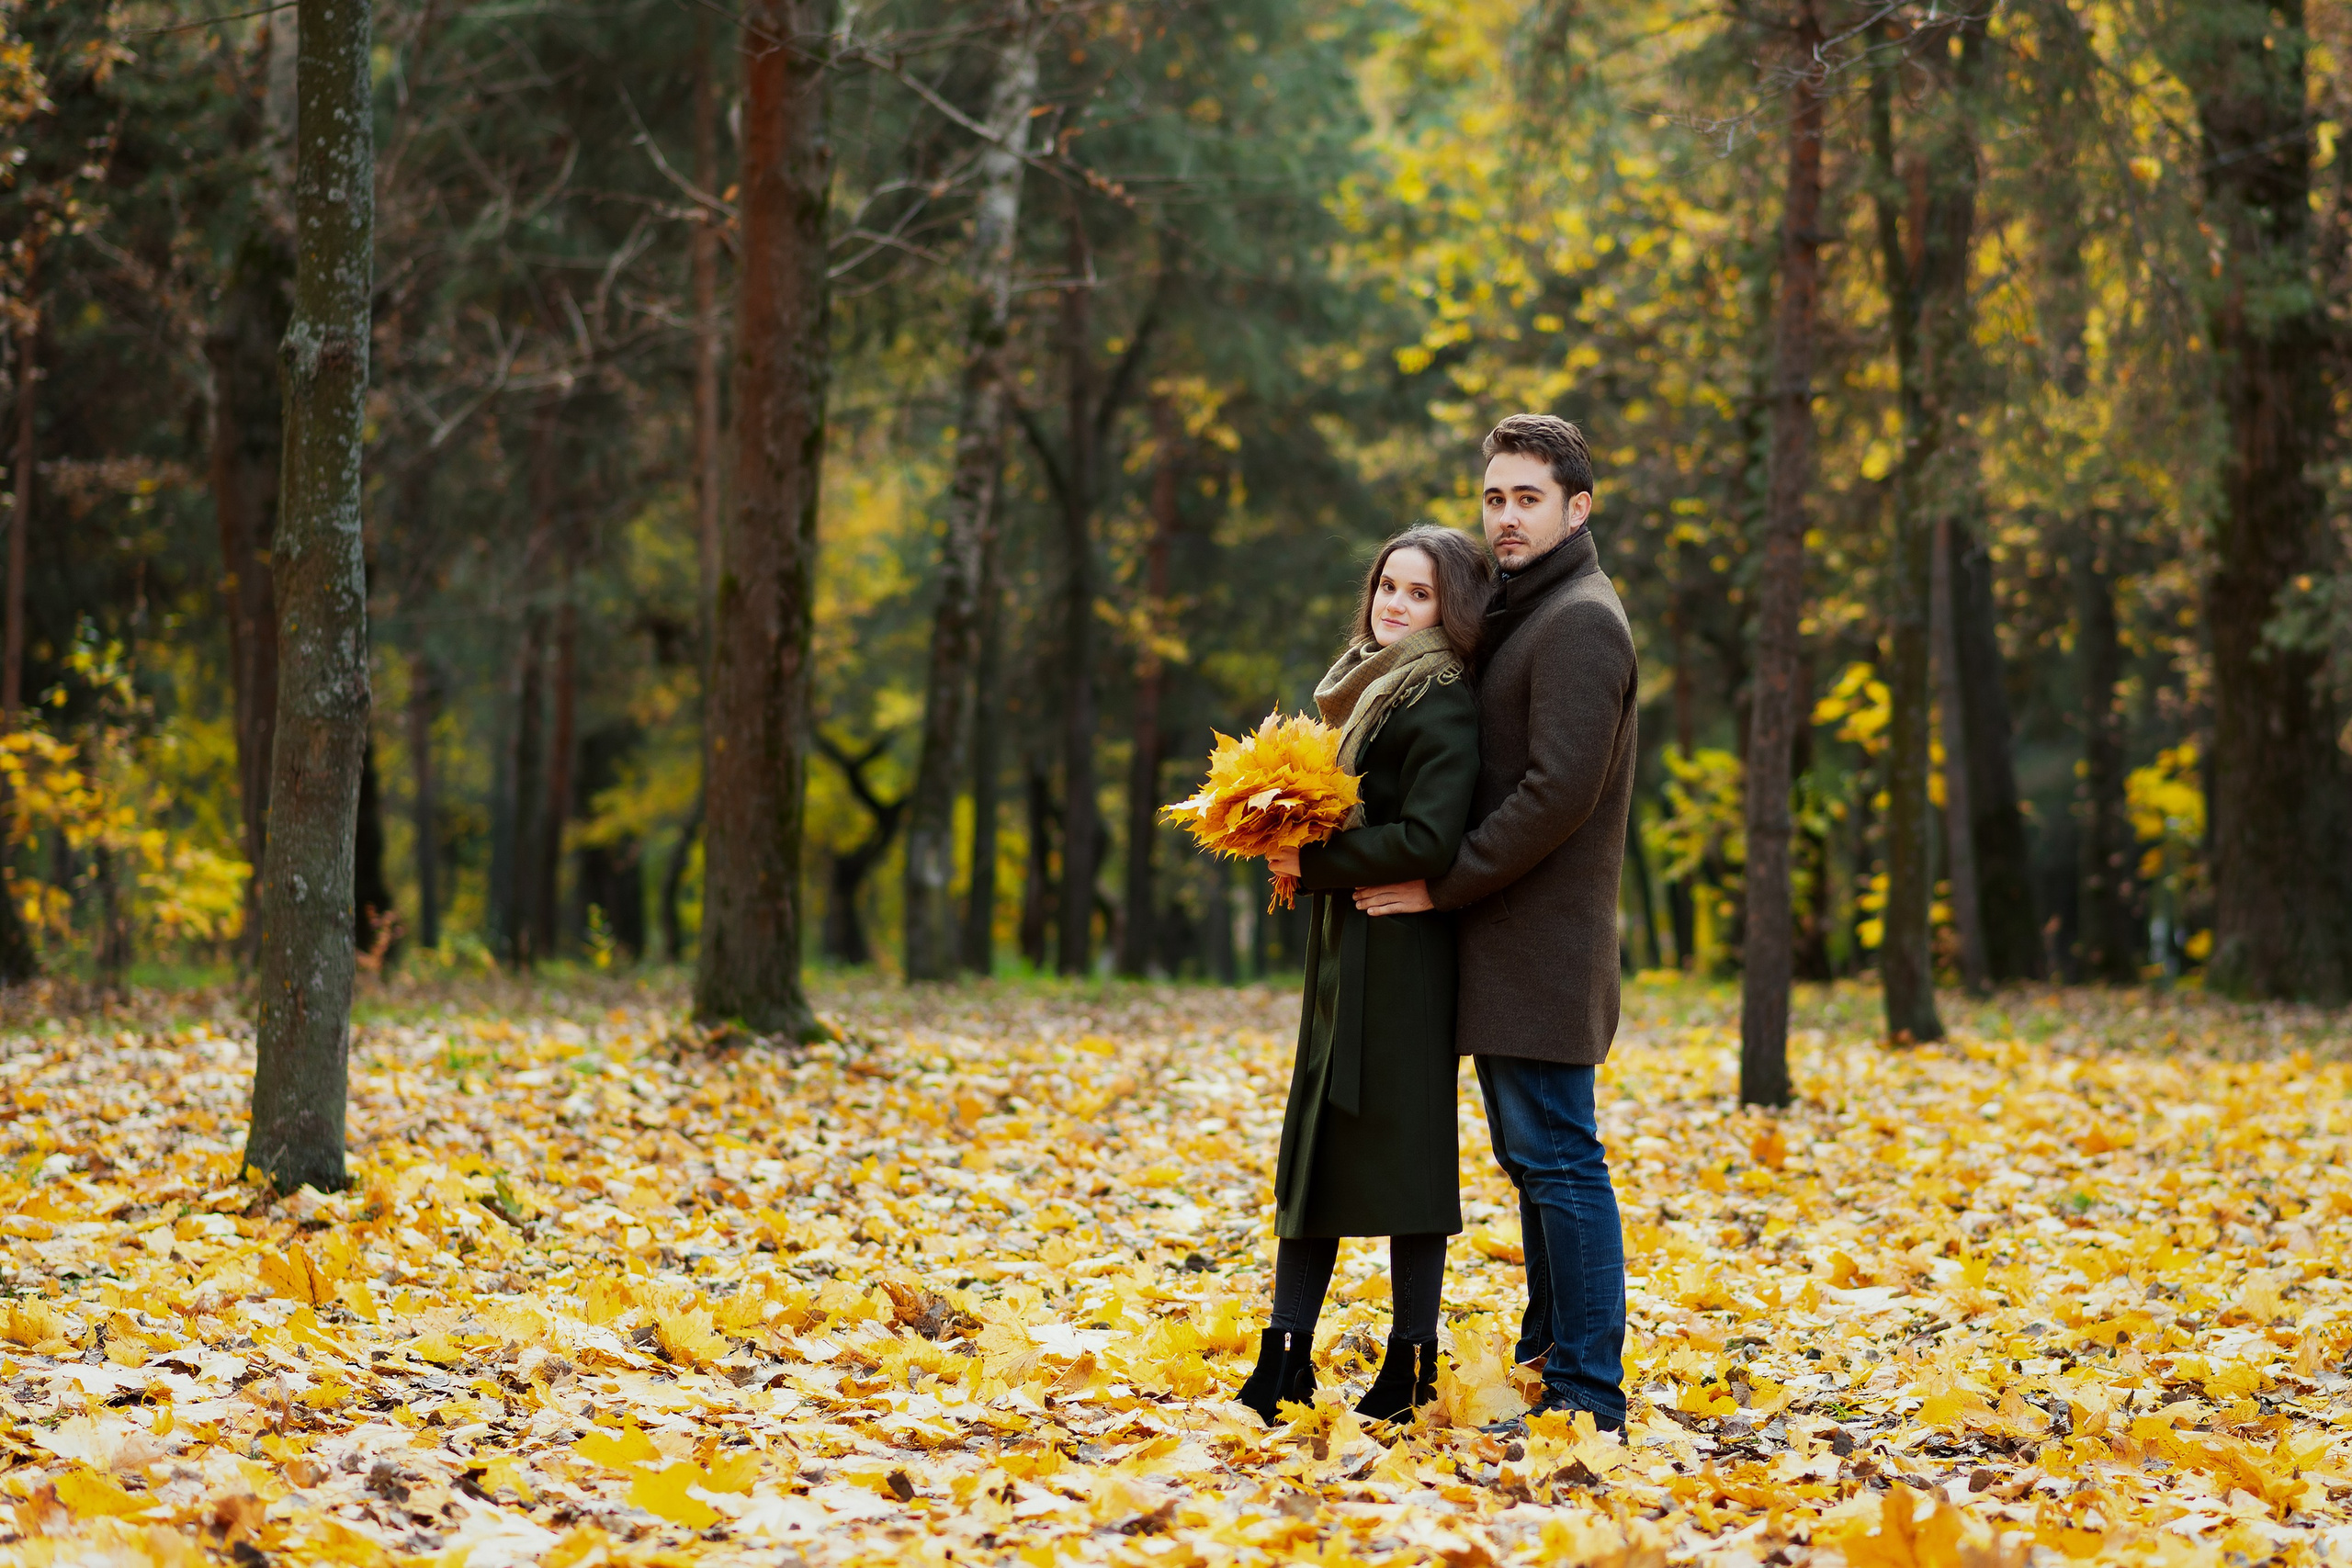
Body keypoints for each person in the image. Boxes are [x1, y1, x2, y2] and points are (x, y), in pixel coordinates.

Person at [1352, 414, 1639, 1432]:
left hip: (1542, 946)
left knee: (1560, 1158)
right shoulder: (1530, 609)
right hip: (1509, 946)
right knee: (1535, 1159)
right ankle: (1549, 1358)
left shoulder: (1581, 623)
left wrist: (1442, 882)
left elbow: (1557, 792)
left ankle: (1588, 1392)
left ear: (1576, 508)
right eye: (1495, 498)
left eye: (1527, 498)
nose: (1506, 517)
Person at [1235, 525, 1491, 1427]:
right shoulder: (1361, 693)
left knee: (1406, 1161)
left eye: (1420, 594)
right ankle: (1285, 1357)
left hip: (1408, 962)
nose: (1396, 604)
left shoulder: (1442, 703)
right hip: (1348, 954)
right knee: (1313, 1151)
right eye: (1389, 585)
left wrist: (1311, 858)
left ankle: (1412, 1363)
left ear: (1449, 608)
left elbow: (1430, 838)